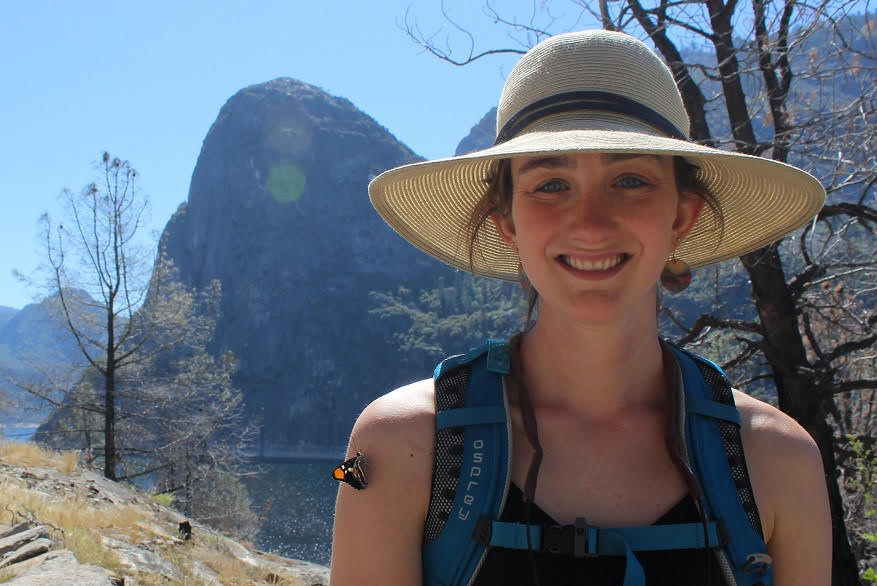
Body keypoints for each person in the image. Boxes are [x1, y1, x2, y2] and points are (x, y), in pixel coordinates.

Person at [330, 29, 831, 585]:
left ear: (680, 217)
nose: (591, 224)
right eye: (551, 185)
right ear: (508, 222)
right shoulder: (400, 445)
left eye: (630, 180)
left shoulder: (779, 460)